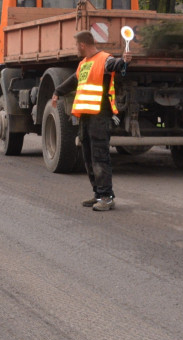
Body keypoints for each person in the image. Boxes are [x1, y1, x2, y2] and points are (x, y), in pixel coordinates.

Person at [52, 31, 131, 212]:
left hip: (100, 116)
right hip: (86, 116)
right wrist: (57, 92)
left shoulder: (104, 59)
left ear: (82, 45)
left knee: (99, 156)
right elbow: (73, 81)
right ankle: (98, 193)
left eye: (76, 46)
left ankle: (106, 197)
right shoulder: (84, 64)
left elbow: (116, 65)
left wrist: (124, 61)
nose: (76, 49)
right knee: (88, 156)